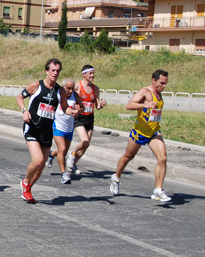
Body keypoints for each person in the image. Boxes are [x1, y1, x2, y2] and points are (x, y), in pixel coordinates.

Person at [16, 58, 77, 203]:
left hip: (47, 130)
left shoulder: (59, 90)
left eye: (58, 71)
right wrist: (24, 110)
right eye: (53, 70)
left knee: (42, 165)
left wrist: (72, 112)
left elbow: (64, 107)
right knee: (38, 161)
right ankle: (25, 182)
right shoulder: (36, 85)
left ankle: (28, 188)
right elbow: (19, 97)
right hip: (32, 127)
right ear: (47, 71)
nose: (55, 73)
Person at [110, 70, 172, 202]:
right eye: (162, 83)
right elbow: (129, 105)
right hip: (140, 132)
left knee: (162, 159)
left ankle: (158, 190)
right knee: (128, 156)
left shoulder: (159, 93)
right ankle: (116, 177)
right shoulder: (145, 92)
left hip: (154, 131)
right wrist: (145, 104)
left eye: (166, 83)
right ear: (153, 80)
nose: (164, 86)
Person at [66, 64, 107, 176]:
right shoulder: (78, 86)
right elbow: (67, 96)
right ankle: (72, 154)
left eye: (93, 73)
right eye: (90, 73)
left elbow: (97, 106)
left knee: (86, 146)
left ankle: (73, 163)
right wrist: (70, 108)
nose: (93, 75)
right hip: (79, 117)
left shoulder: (95, 88)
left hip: (90, 117)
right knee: (85, 141)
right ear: (84, 74)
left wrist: (102, 104)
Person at [46, 78, 83, 184]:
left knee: (64, 151)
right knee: (62, 149)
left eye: (72, 88)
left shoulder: (75, 95)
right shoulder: (58, 94)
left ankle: (51, 154)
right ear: (63, 87)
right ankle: (64, 174)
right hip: (58, 126)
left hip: (69, 128)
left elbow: (82, 108)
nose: (70, 91)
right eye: (68, 88)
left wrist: (78, 110)